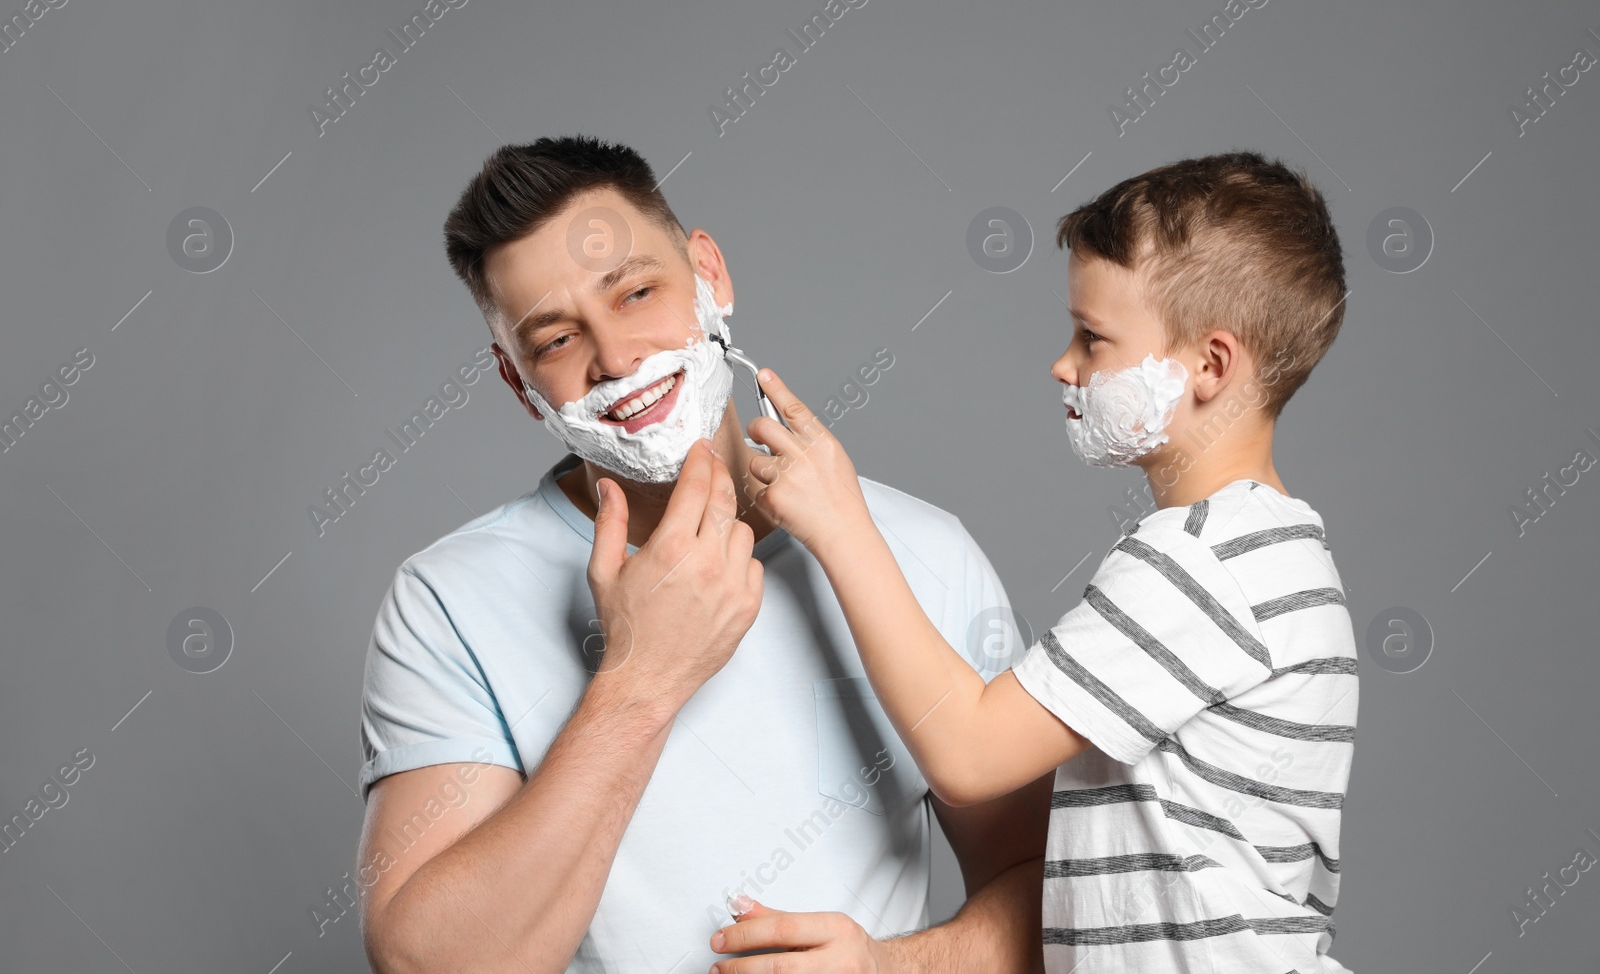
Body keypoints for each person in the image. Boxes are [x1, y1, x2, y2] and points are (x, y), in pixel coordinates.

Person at [354, 135, 1053, 973]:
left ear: (709, 275)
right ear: (518, 383)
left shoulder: (921, 553)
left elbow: (1055, 891)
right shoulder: (447, 600)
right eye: (554, 342)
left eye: (637, 292)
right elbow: (425, 966)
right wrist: (637, 686)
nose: (617, 358)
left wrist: (893, 968)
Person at [734, 152, 1358, 973]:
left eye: (1093, 337)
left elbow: (968, 753)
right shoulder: (1272, 552)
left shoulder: (1201, 562)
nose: (1064, 364)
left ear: (1210, 366)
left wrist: (841, 523)